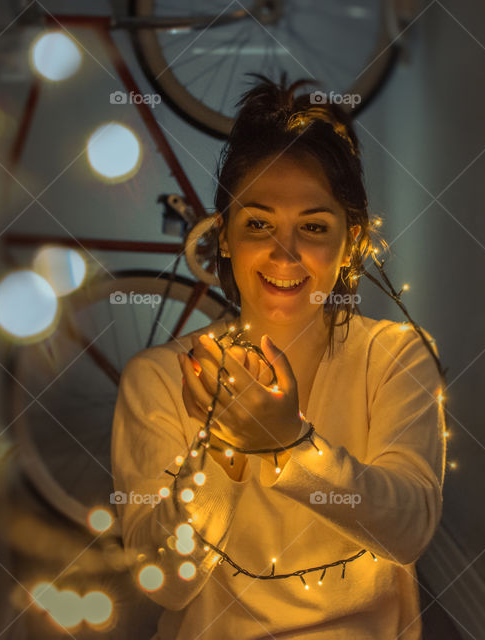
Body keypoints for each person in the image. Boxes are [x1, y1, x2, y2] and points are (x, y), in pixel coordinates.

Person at [111, 73, 446, 640]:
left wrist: (290, 445)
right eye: (259, 222)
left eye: (313, 226)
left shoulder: (394, 356)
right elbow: (164, 580)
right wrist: (224, 446)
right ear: (225, 236)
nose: (283, 252)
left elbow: (408, 528)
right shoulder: (161, 379)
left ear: (351, 243)